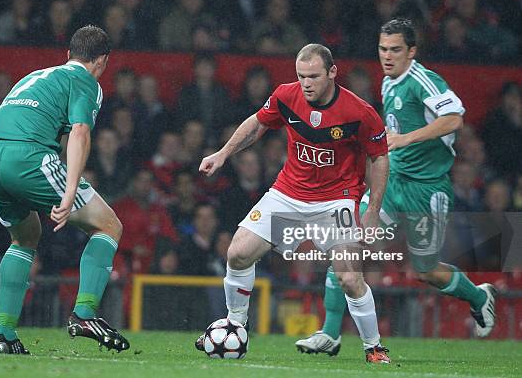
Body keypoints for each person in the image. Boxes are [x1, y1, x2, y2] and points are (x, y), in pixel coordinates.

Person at [0, 25, 130, 355]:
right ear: (103, 60)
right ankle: (84, 314)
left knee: (25, 236)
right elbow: (80, 132)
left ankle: (4, 335)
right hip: (27, 158)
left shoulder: (33, 77)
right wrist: (69, 191)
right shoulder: (85, 82)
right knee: (108, 225)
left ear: (68, 55)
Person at [306, 18, 497, 356]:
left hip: (426, 190)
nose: (387, 56)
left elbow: (454, 119)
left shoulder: (423, 81)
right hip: (392, 184)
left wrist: (406, 138)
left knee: (426, 272)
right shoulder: (388, 82)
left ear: (412, 51)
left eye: (395, 50)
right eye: (383, 49)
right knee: (345, 243)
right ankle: (330, 333)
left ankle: (479, 297)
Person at [195, 43, 391, 363]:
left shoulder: (360, 112)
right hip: (288, 194)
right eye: (301, 76)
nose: (307, 83)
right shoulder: (287, 95)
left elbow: (380, 158)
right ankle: (236, 324)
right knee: (238, 253)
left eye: (313, 76)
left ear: (332, 73)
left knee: (349, 276)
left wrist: (372, 210)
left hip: (336, 202)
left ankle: (374, 347)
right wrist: (223, 153)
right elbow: (258, 122)